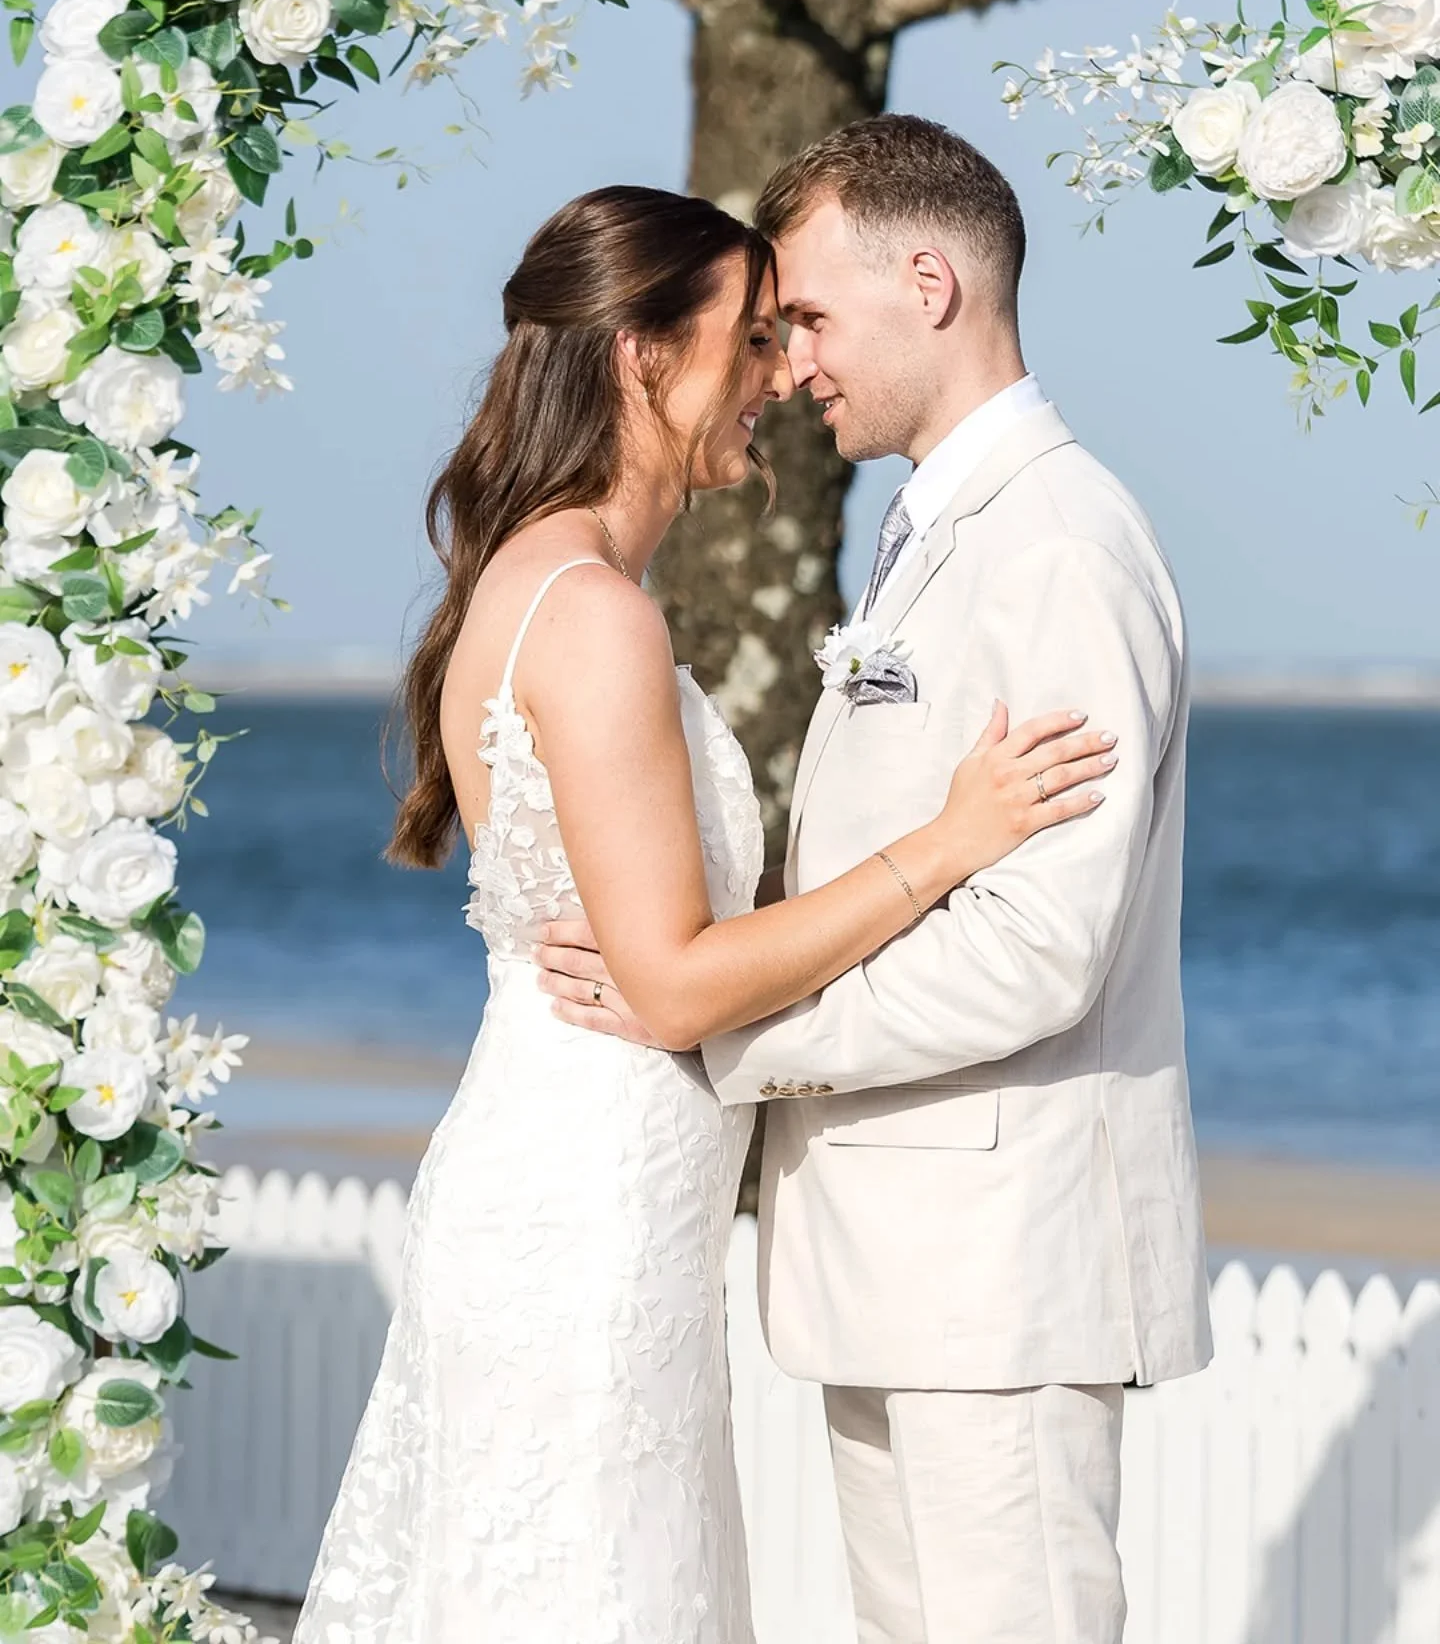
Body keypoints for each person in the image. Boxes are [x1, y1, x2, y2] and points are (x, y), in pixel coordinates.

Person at [291, 183, 1117, 1644]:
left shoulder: (547, 581)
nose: (778, 378)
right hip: (588, 1208)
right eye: (748, 339)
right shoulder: (596, 613)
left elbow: (663, 942)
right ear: (639, 357)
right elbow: (672, 988)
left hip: (590, 1183)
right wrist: (948, 840)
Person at [538, 121, 1213, 1644]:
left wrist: (714, 1027)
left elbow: (1039, 950)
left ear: (932, 281)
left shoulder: (1059, 545)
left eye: (814, 321)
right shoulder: (929, 537)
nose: (789, 368)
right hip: (902, 1269)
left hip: (1002, 1274)